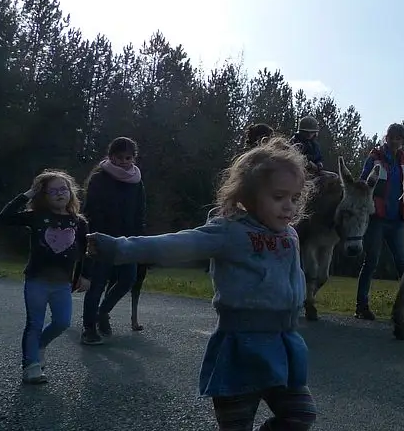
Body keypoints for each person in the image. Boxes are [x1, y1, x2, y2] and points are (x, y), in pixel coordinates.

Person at [85, 136, 318, 430]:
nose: (289, 207)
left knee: (300, 415)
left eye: (295, 198)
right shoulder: (229, 232)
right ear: (247, 195)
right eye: (278, 197)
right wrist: (118, 248)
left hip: (283, 344)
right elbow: (174, 245)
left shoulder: (290, 236)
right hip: (240, 346)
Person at [0, 169, 91, 384]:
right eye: (52, 191)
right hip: (36, 280)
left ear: (71, 193)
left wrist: (84, 275)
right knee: (34, 323)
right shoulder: (37, 216)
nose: (59, 194)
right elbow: (4, 218)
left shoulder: (79, 222)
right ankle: (31, 365)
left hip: (63, 283)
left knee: (62, 322)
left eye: (63, 189)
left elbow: (86, 252)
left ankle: (39, 345)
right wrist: (28, 193)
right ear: (44, 195)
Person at [354, 123, 404, 322]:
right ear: (386, 138)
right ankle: (362, 305)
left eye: (398, 138)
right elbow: (362, 183)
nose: (394, 141)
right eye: (391, 137)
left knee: (403, 264)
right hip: (377, 218)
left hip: (397, 221)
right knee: (371, 261)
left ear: (403, 140)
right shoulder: (375, 158)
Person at [80, 136, 147, 344]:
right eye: (120, 158)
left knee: (128, 279)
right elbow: (90, 210)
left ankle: (103, 312)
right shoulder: (99, 178)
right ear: (111, 156)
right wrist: (96, 237)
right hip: (102, 237)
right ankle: (88, 328)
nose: (125, 162)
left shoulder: (136, 181)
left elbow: (140, 211)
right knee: (97, 284)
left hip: (128, 239)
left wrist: (138, 238)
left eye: (129, 158)